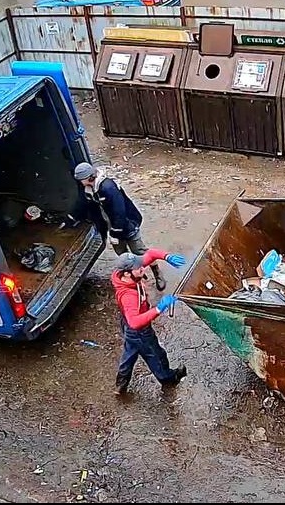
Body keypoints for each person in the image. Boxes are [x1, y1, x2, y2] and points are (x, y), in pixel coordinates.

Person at [63, 161, 170, 291]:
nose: (80, 182)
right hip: (110, 225)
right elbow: (82, 203)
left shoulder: (108, 187)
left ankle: (157, 272)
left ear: (90, 177)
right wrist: (71, 217)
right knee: (122, 255)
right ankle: (135, 276)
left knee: (139, 251)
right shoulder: (88, 188)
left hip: (127, 224)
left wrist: (115, 233)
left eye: (81, 180)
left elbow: (120, 212)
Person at [111, 249, 188, 395]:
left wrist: (167, 256)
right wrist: (158, 309)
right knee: (156, 355)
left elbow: (151, 254)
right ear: (127, 273)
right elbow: (134, 322)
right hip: (139, 330)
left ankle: (121, 383)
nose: (143, 268)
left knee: (130, 352)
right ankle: (168, 378)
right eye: (140, 268)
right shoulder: (129, 296)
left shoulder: (126, 272)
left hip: (127, 326)